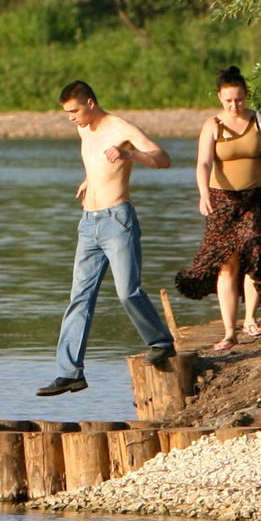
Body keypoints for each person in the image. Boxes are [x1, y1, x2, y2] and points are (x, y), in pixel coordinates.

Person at [39, 79, 177, 397]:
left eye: (74, 110)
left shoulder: (120, 127)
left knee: (127, 291)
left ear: (90, 103)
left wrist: (129, 155)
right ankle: (70, 373)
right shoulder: (83, 128)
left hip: (118, 221)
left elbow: (163, 158)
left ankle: (161, 342)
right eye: (66, 112)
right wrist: (91, 179)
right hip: (89, 223)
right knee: (80, 298)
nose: (70, 117)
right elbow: (97, 160)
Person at [174, 65, 261, 351]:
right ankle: (229, 331)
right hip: (222, 201)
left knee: (254, 253)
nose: (234, 105)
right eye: (228, 100)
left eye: (239, 99)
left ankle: (250, 319)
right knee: (227, 264)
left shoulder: (259, 119)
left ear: (246, 96)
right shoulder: (212, 125)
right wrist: (203, 194)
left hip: (257, 198)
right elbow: (203, 163)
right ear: (219, 97)